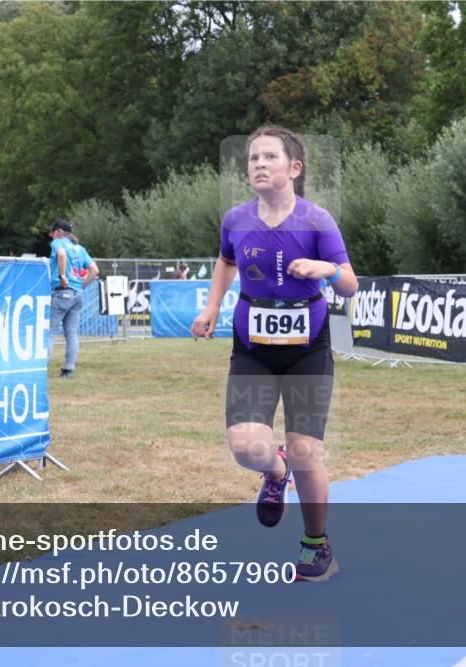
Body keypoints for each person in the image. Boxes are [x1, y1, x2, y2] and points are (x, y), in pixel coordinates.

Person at [191, 126, 357, 582]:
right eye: (252, 159)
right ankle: (275, 471)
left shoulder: (317, 221)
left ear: (294, 168)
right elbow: (226, 260)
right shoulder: (236, 220)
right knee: (247, 448)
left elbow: (349, 282)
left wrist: (326, 268)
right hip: (253, 349)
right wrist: (211, 307)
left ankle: (316, 545)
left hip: (307, 350)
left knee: (307, 451)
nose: (259, 165)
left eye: (269, 157)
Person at [48, 219, 99, 378]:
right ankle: (68, 369)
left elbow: (61, 254)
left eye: (52, 232)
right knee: (71, 334)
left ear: (58, 232)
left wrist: (62, 276)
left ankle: (40, 369)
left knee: (49, 332)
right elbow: (95, 271)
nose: (51, 235)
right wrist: (80, 286)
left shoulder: (58, 243)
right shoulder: (79, 248)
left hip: (61, 292)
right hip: (77, 295)